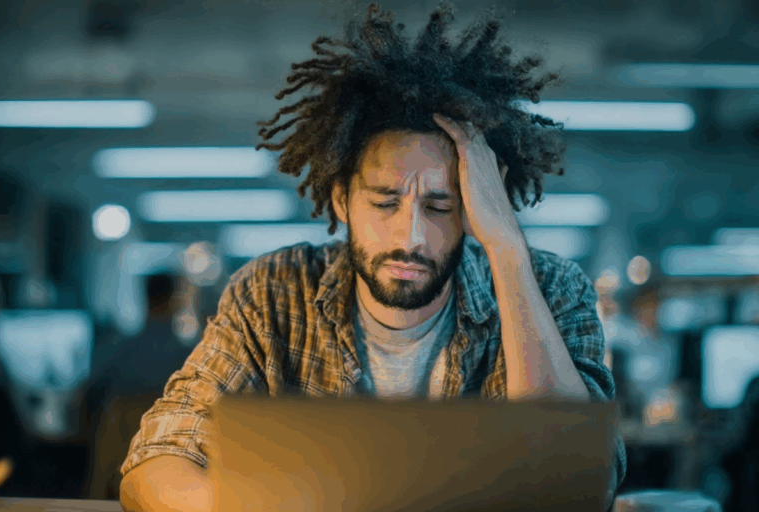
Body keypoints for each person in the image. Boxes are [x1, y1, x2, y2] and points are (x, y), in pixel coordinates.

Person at [119, 3, 626, 512]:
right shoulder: (271, 293)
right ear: (341, 199)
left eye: (440, 206)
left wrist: (507, 248)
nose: (410, 236)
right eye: (385, 202)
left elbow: (581, 486)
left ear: (474, 210)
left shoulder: (552, 288)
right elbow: (159, 455)